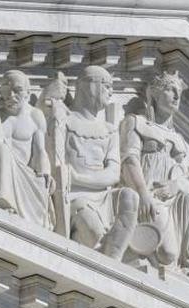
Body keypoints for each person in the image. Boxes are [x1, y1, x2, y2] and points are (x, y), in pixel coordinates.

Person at [119, 70, 189, 273]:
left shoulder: (179, 139)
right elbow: (129, 160)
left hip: (171, 199)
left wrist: (175, 186)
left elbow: (185, 178)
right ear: (154, 93)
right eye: (170, 90)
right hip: (148, 194)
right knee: (168, 254)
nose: (176, 96)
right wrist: (143, 193)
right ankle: (137, 252)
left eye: (179, 94)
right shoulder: (137, 122)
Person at [62, 66, 139, 259]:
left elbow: (113, 174)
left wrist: (78, 177)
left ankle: (114, 262)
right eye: (106, 85)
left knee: (130, 196)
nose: (111, 91)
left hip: (101, 195)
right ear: (89, 86)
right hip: (74, 197)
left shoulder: (110, 130)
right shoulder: (64, 121)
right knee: (94, 234)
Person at [0, 70, 53, 229]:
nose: (11, 96)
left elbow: (40, 150)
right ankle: (4, 202)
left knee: (40, 181)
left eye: (17, 90)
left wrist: (46, 172)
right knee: (2, 149)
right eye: (6, 92)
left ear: (28, 93)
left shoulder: (35, 115)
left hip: (23, 173)